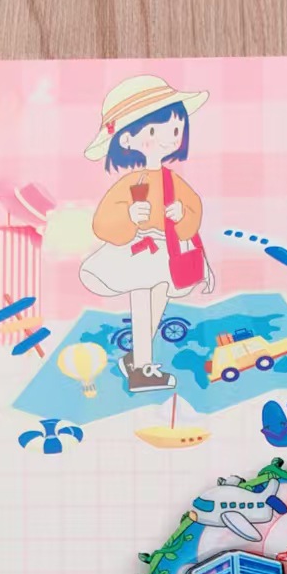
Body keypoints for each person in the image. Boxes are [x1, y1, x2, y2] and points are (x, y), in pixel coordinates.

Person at [79, 76, 213, 393]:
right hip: (137, 250)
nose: (169, 138)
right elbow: (103, 222)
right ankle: (141, 369)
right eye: (154, 131)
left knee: (159, 295)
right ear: (128, 140)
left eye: (176, 130)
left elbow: (193, 211)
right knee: (141, 295)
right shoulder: (130, 182)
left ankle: (137, 358)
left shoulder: (172, 181)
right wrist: (129, 216)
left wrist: (181, 214)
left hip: (167, 250)